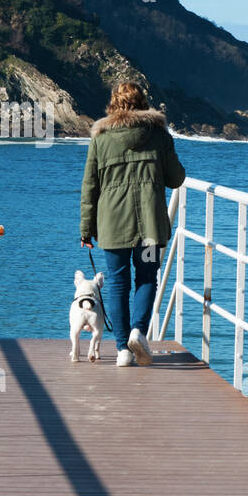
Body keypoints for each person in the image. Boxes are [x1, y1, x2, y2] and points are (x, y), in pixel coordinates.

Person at [79, 81, 186, 367]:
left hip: (113, 226)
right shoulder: (159, 135)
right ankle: (138, 330)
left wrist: (86, 230)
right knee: (147, 277)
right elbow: (176, 178)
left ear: (113, 105)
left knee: (117, 283)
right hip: (149, 229)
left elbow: (90, 186)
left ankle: (123, 350)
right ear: (143, 103)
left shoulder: (100, 138)